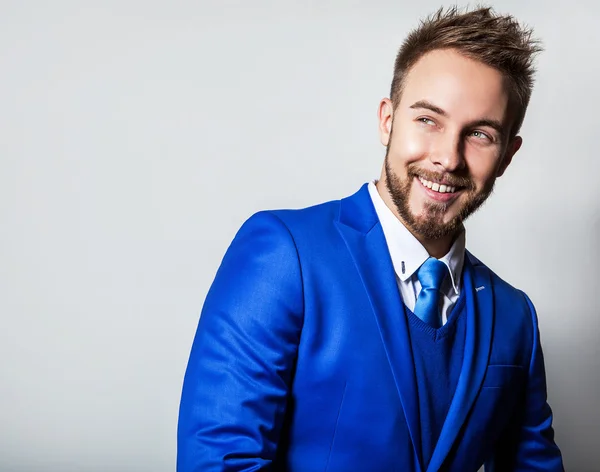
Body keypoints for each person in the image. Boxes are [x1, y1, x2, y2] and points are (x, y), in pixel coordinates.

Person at [177, 6, 564, 471]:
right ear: (387, 120)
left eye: (480, 134)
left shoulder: (514, 315)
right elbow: (220, 461)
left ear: (506, 155)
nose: (447, 157)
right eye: (428, 120)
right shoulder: (285, 254)